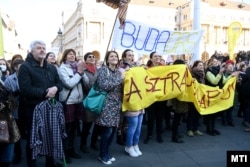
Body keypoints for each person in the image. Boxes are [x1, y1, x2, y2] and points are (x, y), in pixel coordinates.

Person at [18, 40, 63, 167]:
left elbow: (59, 84)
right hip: (32, 109)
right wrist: (45, 93)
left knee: (50, 135)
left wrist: (56, 88)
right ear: (32, 51)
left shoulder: (51, 67)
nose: (42, 50)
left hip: (50, 108)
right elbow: (25, 89)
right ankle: (32, 164)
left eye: (44, 48)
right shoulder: (25, 67)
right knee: (33, 138)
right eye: (39, 48)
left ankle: (50, 162)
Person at [58, 48, 88, 163]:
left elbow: (85, 82)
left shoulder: (77, 67)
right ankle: (64, 153)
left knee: (74, 128)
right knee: (66, 129)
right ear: (65, 56)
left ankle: (71, 149)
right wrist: (79, 73)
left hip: (78, 101)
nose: (72, 56)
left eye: (73, 54)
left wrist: (82, 72)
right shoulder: (63, 69)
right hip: (68, 101)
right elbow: (69, 84)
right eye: (70, 54)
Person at [95, 51, 124, 165]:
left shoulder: (118, 72)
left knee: (112, 131)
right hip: (107, 104)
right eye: (111, 56)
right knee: (107, 131)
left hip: (116, 105)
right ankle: (102, 155)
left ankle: (107, 152)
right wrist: (120, 79)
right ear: (107, 59)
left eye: (116, 56)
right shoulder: (103, 70)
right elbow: (104, 86)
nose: (114, 58)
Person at [120, 49, 144, 157]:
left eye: (132, 55)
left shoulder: (136, 67)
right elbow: (121, 82)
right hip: (130, 101)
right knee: (133, 125)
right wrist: (127, 71)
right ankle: (128, 146)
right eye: (129, 55)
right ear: (124, 57)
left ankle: (135, 144)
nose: (131, 57)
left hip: (140, 99)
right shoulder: (121, 69)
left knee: (139, 126)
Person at [4, 58, 24, 164]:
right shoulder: (9, 80)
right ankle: (18, 154)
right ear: (15, 67)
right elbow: (6, 96)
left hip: (27, 108)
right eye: (19, 66)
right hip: (15, 110)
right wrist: (16, 93)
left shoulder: (28, 77)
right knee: (17, 134)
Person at [80, 52, 102, 153]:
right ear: (86, 60)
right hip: (88, 100)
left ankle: (94, 143)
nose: (92, 58)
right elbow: (87, 85)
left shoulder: (99, 70)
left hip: (99, 100)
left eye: (93, 57)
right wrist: (97, 85)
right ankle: (83, 144)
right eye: (89, 57)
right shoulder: (83, 71)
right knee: (87, 124)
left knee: (98, 124)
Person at [144, 51, 165, 144]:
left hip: (161, 96)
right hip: (150, 96)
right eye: (155, 56)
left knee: (160, 117)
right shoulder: (147, 69)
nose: (157, 57)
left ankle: (159, 135)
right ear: (151, 58)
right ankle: (149, 135)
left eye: (158, 56)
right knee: (151, 117)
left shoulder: (164, 68)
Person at [0, 80, 19, 167]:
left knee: (6, 160)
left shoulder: (4, 88)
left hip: (8, 128)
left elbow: (13, 107)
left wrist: (9, 97)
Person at [204, 57, 225, 136]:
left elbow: (223, 81)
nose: (216, 62)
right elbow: (214, 82)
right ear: (210, 63)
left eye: (216, 61)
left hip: (217, 94)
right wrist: (220, 73)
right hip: (210, 94)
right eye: (214, 61)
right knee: (210, 113)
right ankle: (209, 129)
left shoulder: (217, 70)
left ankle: (213, 128)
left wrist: (231, 77)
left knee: (215, 112)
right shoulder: (209, 72)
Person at [171, 59, 188, 143]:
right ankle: (174, 136)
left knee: (178, 118)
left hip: (181, 99)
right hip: (178, 99)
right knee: (177, 118)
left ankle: (176, 133)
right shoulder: (176, 74)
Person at [187, 60, 205, 137]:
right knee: (191, 113)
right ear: (195, 66)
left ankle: (195, 129)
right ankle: (189, 129)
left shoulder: (202, 74)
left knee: (197, 113)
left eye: (202, 65)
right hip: (192, 96)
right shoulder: (191, 74)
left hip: (200, 96)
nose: (202, 67)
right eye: (200, 65)